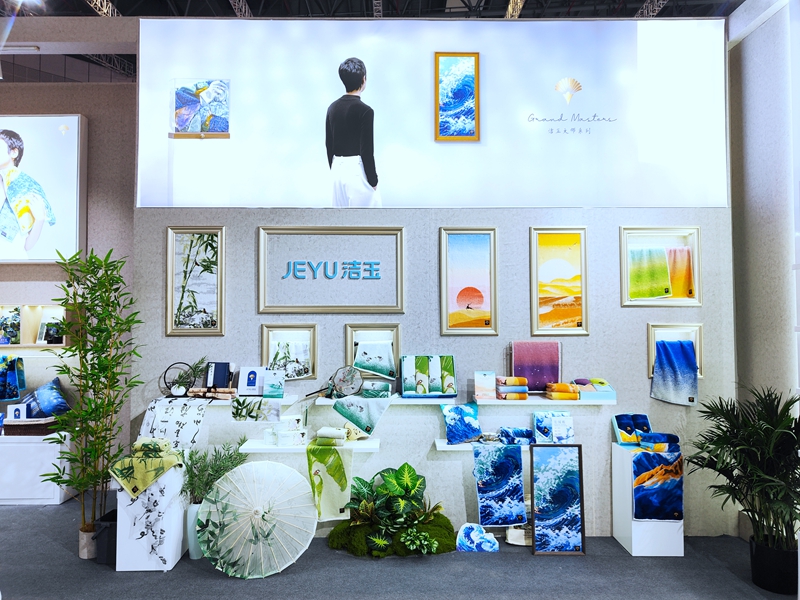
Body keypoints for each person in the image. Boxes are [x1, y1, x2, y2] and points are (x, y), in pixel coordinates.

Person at [325, 57, 381, 208]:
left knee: (340, 220)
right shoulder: (366, 111)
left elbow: (329, 144)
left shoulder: (332, 108)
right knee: (368, 219)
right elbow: (366, 150)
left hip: (337, 170)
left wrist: (335, 168)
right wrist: (373, 180)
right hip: (357, 170)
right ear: (363, 79)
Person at [0, 129, 55, 259]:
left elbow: (26, 246)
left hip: (14, 261)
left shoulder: (29, 188)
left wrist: (40, 219)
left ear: (14, 152)